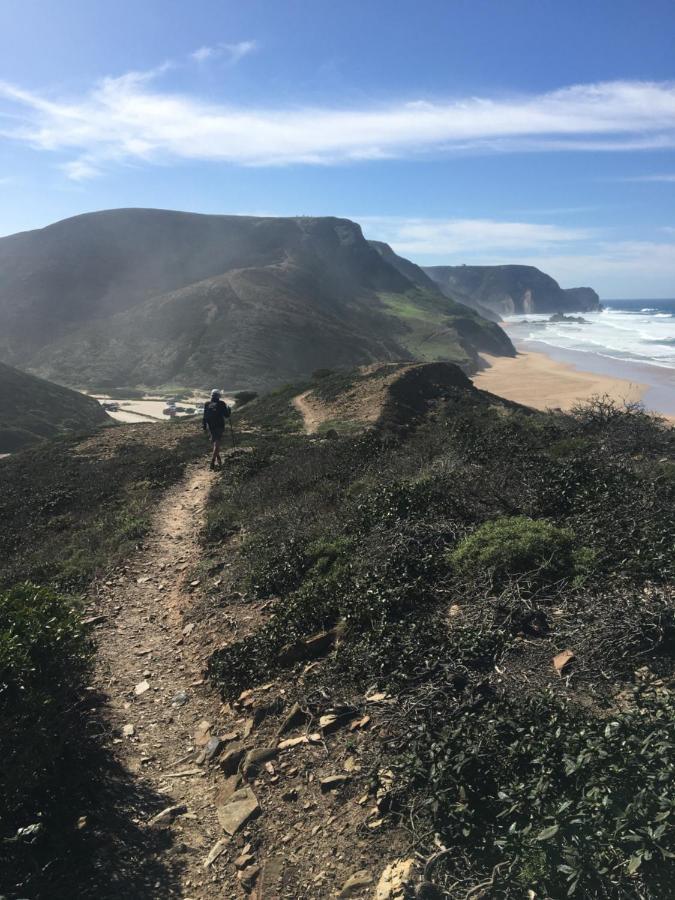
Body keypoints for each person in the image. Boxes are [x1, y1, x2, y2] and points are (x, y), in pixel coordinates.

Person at [202, 389, 230, 469]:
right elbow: (227, 415)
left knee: (215, 442)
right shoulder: (221, 403)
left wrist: (204, 426)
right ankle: (212, 462)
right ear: (219, 396)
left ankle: (219, 459)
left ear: (211, 395)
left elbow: (205, 416)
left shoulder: (207, 404)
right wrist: (229, 410)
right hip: (220, 426)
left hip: (211, 426)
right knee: (216, 443)